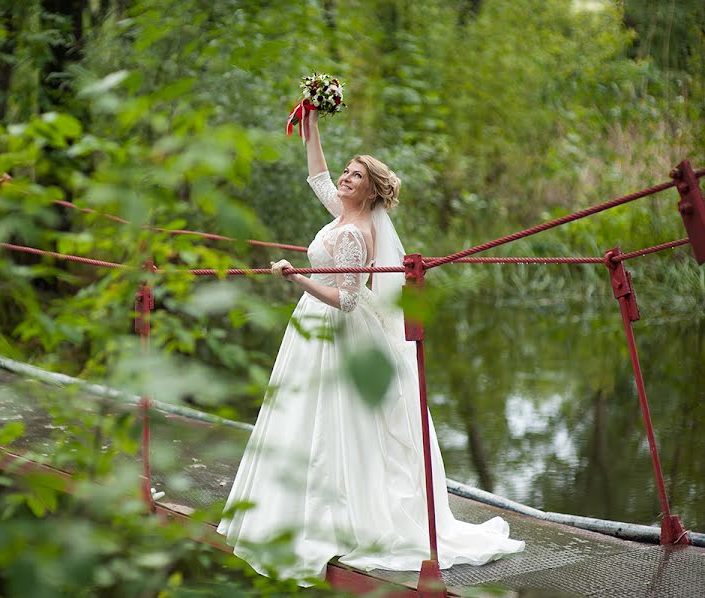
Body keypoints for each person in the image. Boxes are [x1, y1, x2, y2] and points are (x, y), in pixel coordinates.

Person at [217, 111, 524, 585]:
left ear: (370, 191)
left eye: (355, 175)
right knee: (305, 416)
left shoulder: (356, 235)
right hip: (312, 328)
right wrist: (311, 124)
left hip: (338, 331)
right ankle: (297, 510)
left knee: (338, 424)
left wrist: (296, 276)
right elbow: (317, 175)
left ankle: (340, 517)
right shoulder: (341, 214)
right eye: (346, 171)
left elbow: (348, 298)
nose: (344, 177)